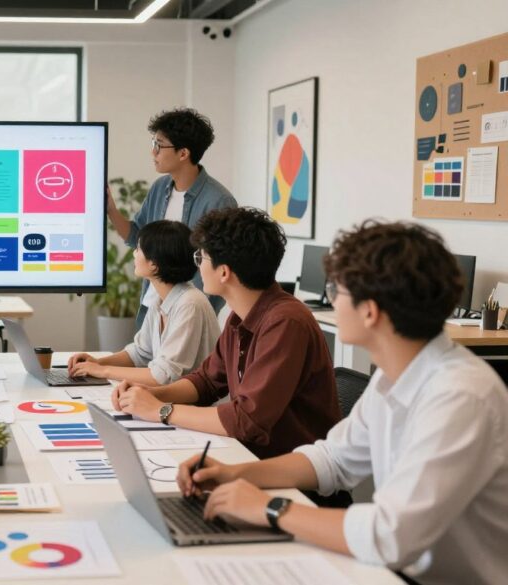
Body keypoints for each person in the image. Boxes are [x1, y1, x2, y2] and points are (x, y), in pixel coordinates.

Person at [177, 221, 508, 585]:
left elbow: (391, 536)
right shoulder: (394, 375)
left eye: (337, 289)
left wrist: (269, 507)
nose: (331, 299)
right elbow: (332, 459)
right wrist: (235, 473)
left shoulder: (461, 396)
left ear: (369, 311)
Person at [113, 207, 340, 460]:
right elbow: (207, 382)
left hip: (288, 474)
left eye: (202, 257)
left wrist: (161, 410)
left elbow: (246, 420)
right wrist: (149, 395)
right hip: (249, 457)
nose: (197, 266)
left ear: (224, 272)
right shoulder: (239, 315)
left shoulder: (286, 323)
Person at [106, 108, 236, 321]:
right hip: (149, 310)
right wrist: (111, 209)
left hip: (187, 316)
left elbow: (225, 269)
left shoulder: (220, 202)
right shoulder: (160, 188)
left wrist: (202, 314)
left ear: (183, 153)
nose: (153, 152)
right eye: (153, 143)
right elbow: (137, 237)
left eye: (159, 145)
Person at [67, 220, 219, 385]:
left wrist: (103, 371)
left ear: (154, 264)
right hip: (172, 402)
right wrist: (97, 362)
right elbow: (140, 353)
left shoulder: (190, 304)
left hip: (198, 408)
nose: (133, 253)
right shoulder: (160, 299)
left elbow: (163, 376)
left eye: (138, 249)